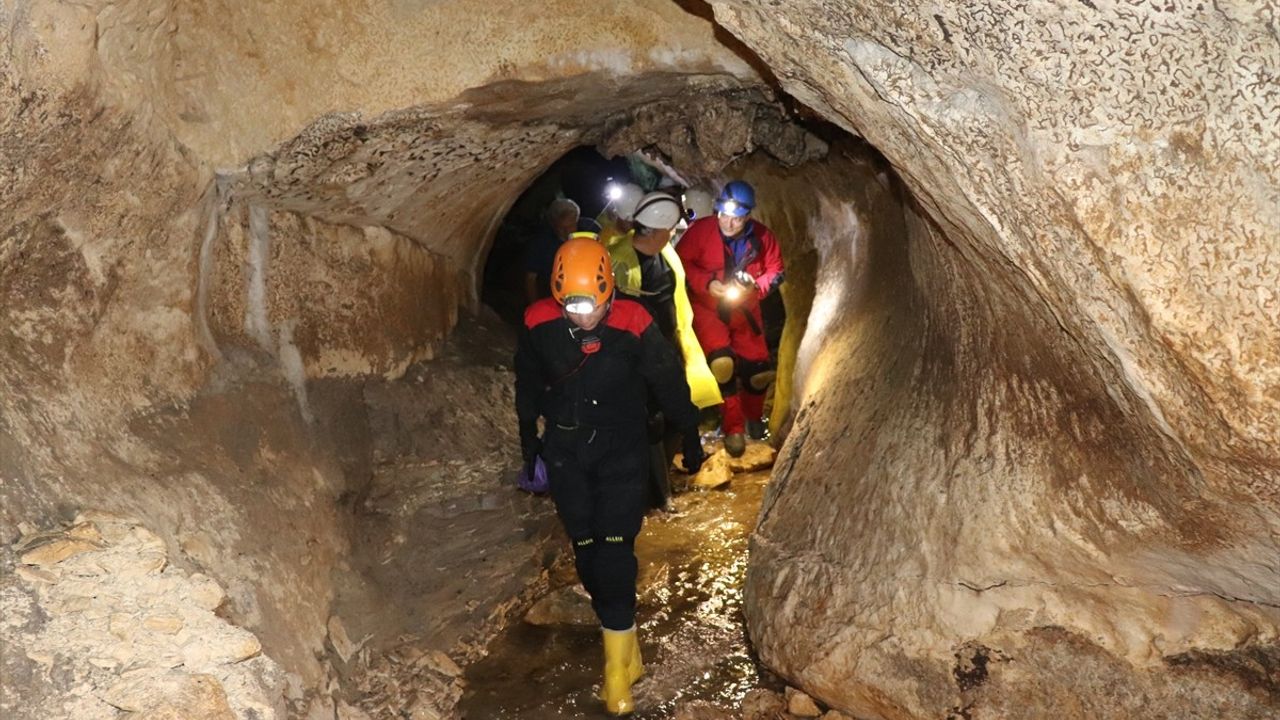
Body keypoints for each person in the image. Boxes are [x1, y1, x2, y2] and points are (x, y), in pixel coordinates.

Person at [514, 234, 706, 715]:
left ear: (610, 293)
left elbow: (668, 380)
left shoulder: (635, 323)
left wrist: (692, 435)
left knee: (616, 554)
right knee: (586, 554)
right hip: (566, 453)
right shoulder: (539, 324)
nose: (583, 316)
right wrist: (528, 446)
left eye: (592, 305)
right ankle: (627, 645)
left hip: (622, 451)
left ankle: (615, 672)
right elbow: (528, 385)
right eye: (572, 306)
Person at [611, 192, 721, 510]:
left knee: (672, 416)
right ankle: (653, 501)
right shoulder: (618, 259)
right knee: (648, 424)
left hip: (669, 348)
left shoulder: (666, 253)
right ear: (659, 229)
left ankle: (664, 486)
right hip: (637, 358)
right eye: (671, 228)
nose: (674, 232)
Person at [675, 180, 785, 457]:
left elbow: (776, 271)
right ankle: (733, 427)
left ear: (747, 216)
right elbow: (681, 264)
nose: (728, 223)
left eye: (736, 218)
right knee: (722, 365)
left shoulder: (762, 237)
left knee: (757, 370)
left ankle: (754, 416)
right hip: (708, 308)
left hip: (746, 310)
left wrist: (755, 286)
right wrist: (707, 283)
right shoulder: (701, 232)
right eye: (723, 215)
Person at [524, 198, 581, 304]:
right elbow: (530, 278)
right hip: (554, 296)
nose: (567, 232)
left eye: (571, 226)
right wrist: (535, 305)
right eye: (562, 228)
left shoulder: (590, 230)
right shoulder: (541, 243)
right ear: (553, 224)